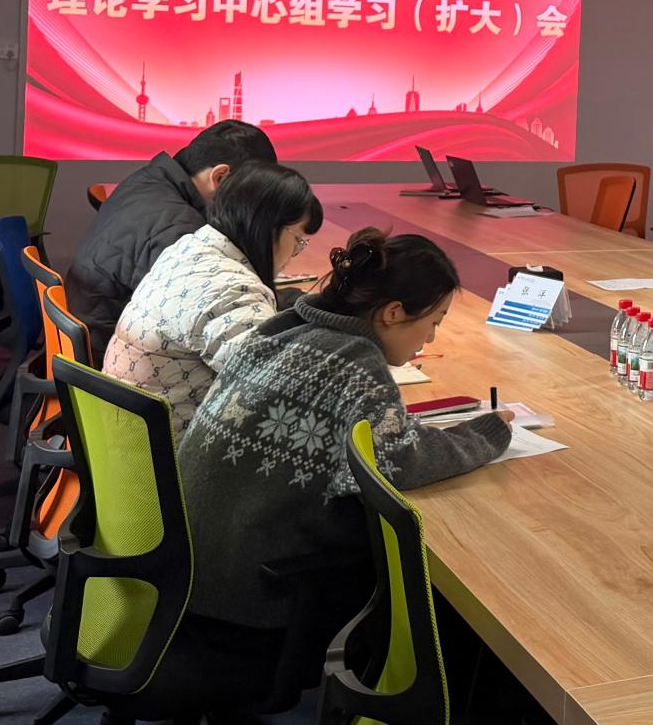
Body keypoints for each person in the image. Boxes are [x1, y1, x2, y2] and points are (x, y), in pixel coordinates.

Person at [176, 229, 512, 694]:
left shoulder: (283, 327)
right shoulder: (354, 364)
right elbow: (401, 460)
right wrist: (487, 433)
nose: (431, 337)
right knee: (445, 602)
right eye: (433, 321)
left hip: (184, 580)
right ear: (393, 312)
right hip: (249, 606)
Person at [103, 162, 321, 436]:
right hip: (167, 454)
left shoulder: (190, 248)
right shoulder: (232, 290)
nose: (295, 254)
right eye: (298, 240)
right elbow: (281, 394)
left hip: (127, 438)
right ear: (266, 228)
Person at [66, 120, 277, 352]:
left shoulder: (150, 180)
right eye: (250, 193)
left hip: (91, 329)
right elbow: (208, 314)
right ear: (220, 177)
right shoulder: (178, 229)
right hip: (108, 354)